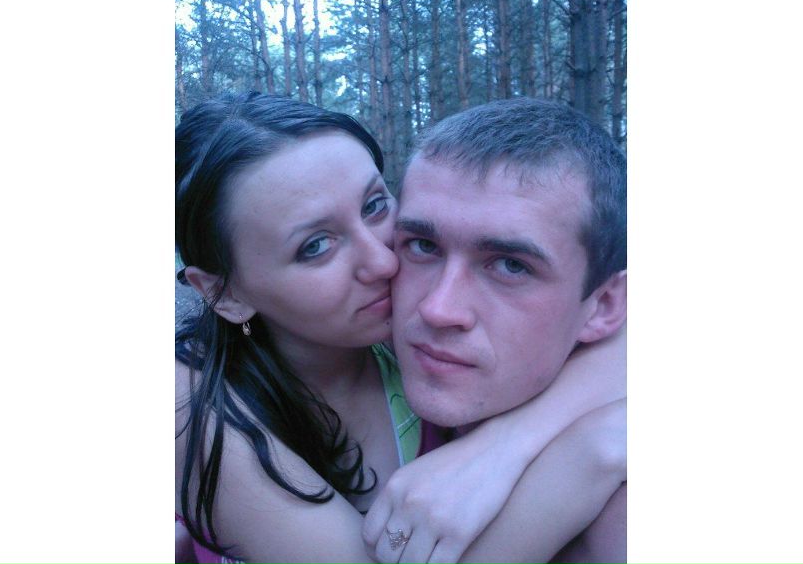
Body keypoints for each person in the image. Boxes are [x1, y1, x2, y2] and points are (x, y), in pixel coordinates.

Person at [175, 92, 625, 564]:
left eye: (374, 206)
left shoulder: (422, 344)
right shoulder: (186, 399)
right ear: (226, 294)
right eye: (315, 246)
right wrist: (593, 454)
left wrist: (503, 445)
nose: (385, 261)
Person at [363, 97, 627, 564]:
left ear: (603, 305)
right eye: (422, 246)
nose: (438, 309)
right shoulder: (351, 359)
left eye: (510, 266)